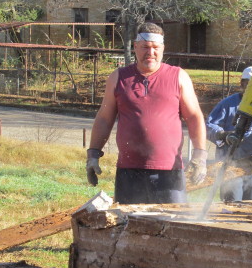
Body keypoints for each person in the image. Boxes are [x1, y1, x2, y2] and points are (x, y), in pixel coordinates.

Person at [86, 22, 207, 203]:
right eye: (145, 47)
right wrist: (93, 154)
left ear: (163, 48)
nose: (150, 53)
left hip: (169, 171)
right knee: (131, 226)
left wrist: (200, 155)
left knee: (171, 225)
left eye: (155, 47)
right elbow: (104, 118)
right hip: (129, 171)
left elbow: (194, 117)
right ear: (135, 47)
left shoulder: (178, 76)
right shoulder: (118, 78)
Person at [206, 66, 252, 202]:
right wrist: (222, 135)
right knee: (231, 206)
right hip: (230, 166)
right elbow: (208, 126)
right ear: (242, 84)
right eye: (249, 83)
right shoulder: (228, 104)